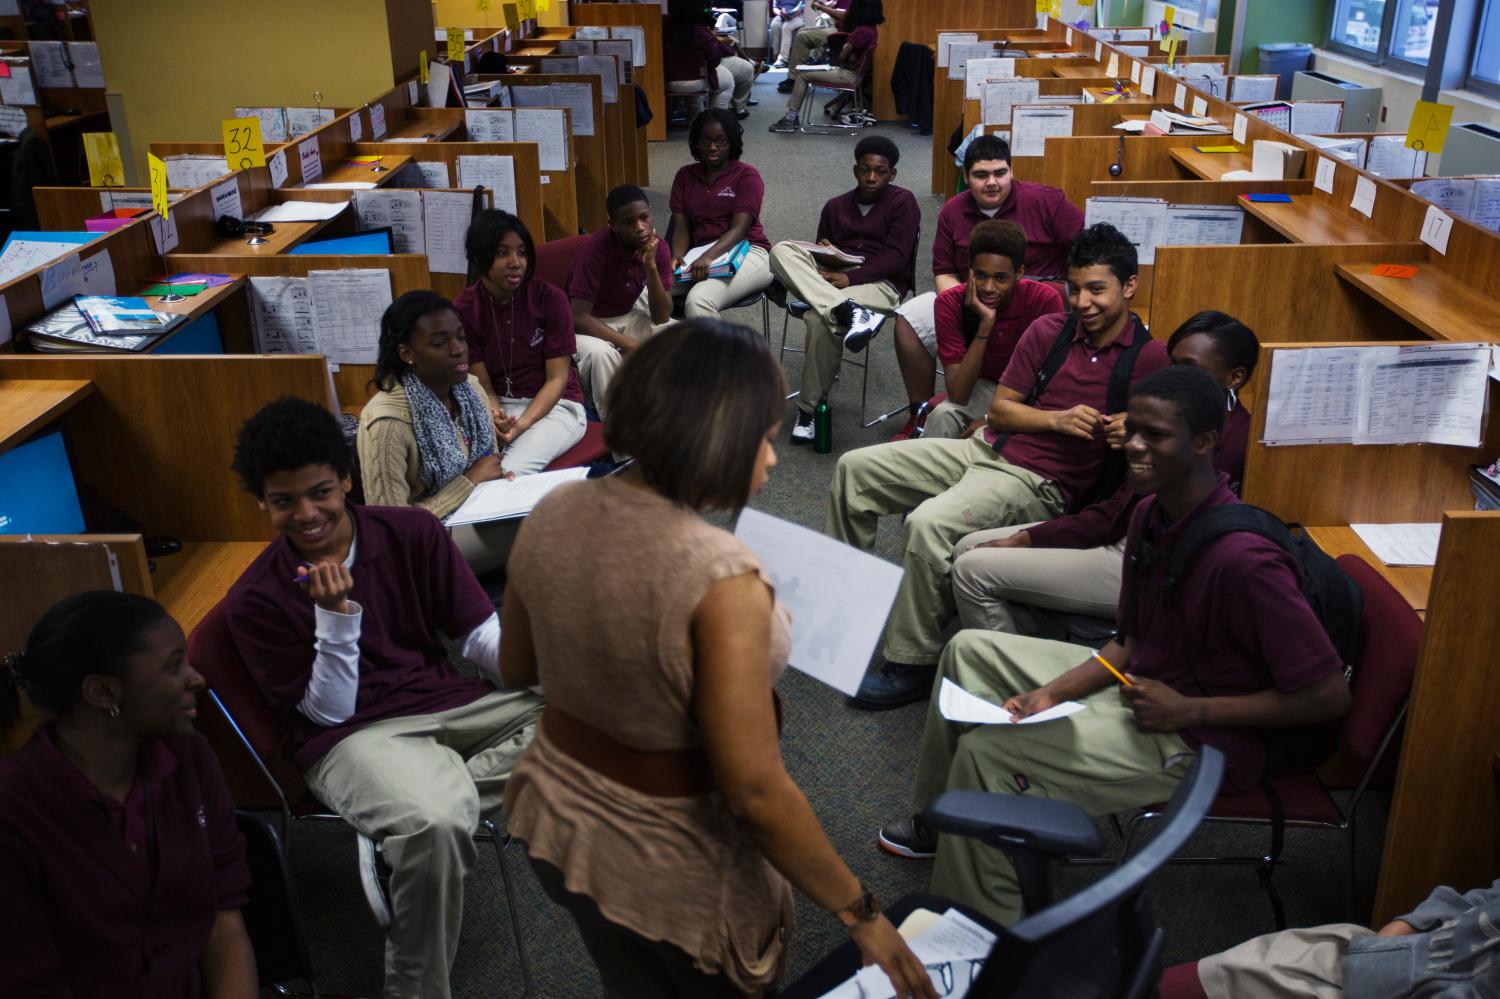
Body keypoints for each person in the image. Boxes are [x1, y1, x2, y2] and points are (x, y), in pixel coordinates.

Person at [499, 319, 935, 999]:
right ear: (717, 437)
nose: (773, 460)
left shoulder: (555, 506)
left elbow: (517, 667)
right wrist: (861, 911)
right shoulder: (719, 575)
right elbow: (755, 793)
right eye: (762, 438)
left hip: (558, 817)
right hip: (670, 863)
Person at [875, 365, 1352, 926]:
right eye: (1133, 430)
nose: (1135, 446)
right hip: (1148, 684)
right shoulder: (1153, 512)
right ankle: (947, 820)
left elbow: (1327, 697)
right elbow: (1130, 642)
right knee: (968, 651)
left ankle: (981, 937)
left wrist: (1189, 709)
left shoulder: (1244, 560)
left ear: (1205, 443)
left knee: (990, 755)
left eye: (1157, 435)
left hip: (1203, 733)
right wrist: (1050, 693)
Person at [224, 396, 545, 999]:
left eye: (320, 491)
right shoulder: (257, 599)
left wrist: (558, 675)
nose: (307, 513)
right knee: (435, 822)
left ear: (346, 479)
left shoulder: (411, 531)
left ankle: (406, 825)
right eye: (282, 501)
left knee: (603, 713)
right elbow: (329, 713)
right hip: (352, 736)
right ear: (262, 503)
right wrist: (335, 619)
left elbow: (476, 635)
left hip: (449, 702)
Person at [825, 223, 1166, 710]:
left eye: (1097, 290)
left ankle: (912, 662)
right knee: (855, 468)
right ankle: (848, 605)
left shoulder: (1148, 358)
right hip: (989, 447)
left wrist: (1129, 427)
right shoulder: (1050, 330)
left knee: (928, 524)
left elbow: (1159, 443)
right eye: (1074, 289)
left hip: (1042, 482)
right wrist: (1057, 418)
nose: (1082, 303)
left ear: (1129, 287)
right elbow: (1002, 409)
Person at [0, 592, 257, 998]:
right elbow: (28, 983)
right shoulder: (16, 814)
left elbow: (223, 919)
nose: (197, 678)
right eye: (175, 665)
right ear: (103, 693)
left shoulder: (189, 757)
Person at [949, 311, 1260, 635]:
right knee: (967, 546)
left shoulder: (1221, 439)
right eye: (1173, 364)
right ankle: (1029, 649)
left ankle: (997, 677)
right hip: (1121, 531)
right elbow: (1117, 511)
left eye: (1191, 369)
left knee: (974, 567)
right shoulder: (1178, 417)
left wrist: (1025, 539)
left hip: (1148, 563)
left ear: (1234, 377)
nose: (1176, 378)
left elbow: (1118, 519)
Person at [889, 135, 1085, 439]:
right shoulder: (953, 211)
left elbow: (1085, 250)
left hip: (1037, 300)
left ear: (1011, 171)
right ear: (966, 177)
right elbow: (943, 271)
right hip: (971, 293)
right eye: (981, 175)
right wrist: (963, 304)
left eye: (1000, 173)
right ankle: (919, 410)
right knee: (908, 319)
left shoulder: (1047, 200)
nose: (992, 182)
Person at [769, 134, 918, 442]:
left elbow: (898, 259)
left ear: (893, 174)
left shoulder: (903, 202)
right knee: (781, 251)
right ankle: (846, 311)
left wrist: (850, 279)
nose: (872, 177)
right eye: (865, 169)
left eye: (880, 171)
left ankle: (808, 411)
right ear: (855, 170)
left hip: (881, 284)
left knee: (818, 318)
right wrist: (826, 253)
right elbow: (820, 250)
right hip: (836, 278)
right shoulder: (835, 206)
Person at [358, 290, 517, 574]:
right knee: (541, 529)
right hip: (420, 545)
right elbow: (392, 530)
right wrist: (468, 483)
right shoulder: (386, 423)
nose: (458, 349)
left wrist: (500, 483)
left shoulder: (470, 388)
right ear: (406, 353)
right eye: (440, 343)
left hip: (475, 514)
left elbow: (488, 464)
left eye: (461, 337)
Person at [1175, 879, 1500, 998]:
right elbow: (1484, 897)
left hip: (1405, 979)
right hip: (1389, 955)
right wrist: (1403, 928)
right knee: (1176, 984)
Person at [453, 209, 588, 474]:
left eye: (522, 252)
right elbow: (483, 386)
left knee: (509, 472)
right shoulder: (465, 308)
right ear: (480, 258)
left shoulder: (550, 298)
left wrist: (521, 425)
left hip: (557, 404)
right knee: (460, 469)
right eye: (503, 253)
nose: (516, 263)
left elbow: (557, 380)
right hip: (499, 406)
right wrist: (496, 416)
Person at [919, 219, 1066, 440]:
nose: (988, 287)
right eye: (980, 275)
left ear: (1019, 273)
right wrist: (985, 324)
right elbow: (958, 394)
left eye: (1000, 278)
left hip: (1030, 394)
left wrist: (990, 418)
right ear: (970, 271)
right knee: (943, 416)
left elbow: (1048, 384)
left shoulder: (1043, 300)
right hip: (983, 387)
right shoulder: (949, 303)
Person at [567, 184, 675, 419]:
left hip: (626, 315)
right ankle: (623, 446)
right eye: (629, 222)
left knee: (680, 335)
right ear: (612, 225)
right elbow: (578, 317)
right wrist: (630, 344)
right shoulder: (595, 249)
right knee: (602, 355)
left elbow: (662, 316)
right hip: (586, 325)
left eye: (644, 217)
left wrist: (651, 266)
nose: (640, 228)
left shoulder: (659, 247)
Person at [669, 108, 774, 320]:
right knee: (644, 293)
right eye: (706, 141)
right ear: (696, 143)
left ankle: (718, 353)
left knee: (699, 300)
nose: (713, 147)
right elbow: (681, 226)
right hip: (698, 256)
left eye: (720, 141)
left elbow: (739, 228)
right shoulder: (684, 176)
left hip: (747, 252)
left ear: (732, 142)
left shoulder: (747, 175)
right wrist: (677, 256)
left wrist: (708, 256)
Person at [768, 0, 882, 133]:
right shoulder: (871, 29)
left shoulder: (860, 32)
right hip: (854, 74)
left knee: (802, 76)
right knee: (807, 68)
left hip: (848, 75)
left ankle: (790, 119)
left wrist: (846, 49)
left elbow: (842, 57)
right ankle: (791, 117)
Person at [666, 0, 757, 117]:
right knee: (728, 81)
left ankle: (695, 118)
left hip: (667, 79)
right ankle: (717, 118)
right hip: (694, 78)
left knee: (695, 70)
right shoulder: (700, 33)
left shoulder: (662, 25)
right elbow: (714, 59)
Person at [778, 0, 851, 91]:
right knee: (802, 33)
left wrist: (821, 7)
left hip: (845, 32)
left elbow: (843, 15)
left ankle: (798, 75)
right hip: (836, 27)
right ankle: (793, 77)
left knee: (803, 36)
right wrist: (823, 5)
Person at [768, 0, 805, 68]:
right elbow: (775, 8)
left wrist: (791, 16)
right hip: (781, 15)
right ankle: (776, 56)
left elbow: (800, 9)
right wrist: (780, 13)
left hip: (797, 16)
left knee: (786, 27)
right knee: (775, 25)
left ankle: (783, 59)